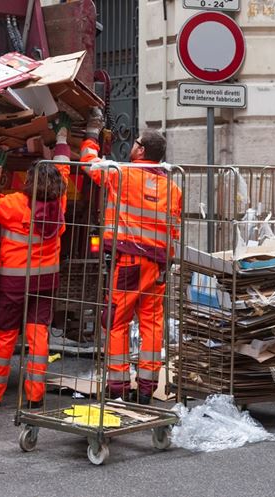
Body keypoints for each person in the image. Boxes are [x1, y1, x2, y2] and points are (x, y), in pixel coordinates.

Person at [80, 109, 182, 404]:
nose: (133, 145)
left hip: (129, 262)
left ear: (141, 150)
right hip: (159, 265)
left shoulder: (123, 175)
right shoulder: (172, 188)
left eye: (136, 142)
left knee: (116, 320)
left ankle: (117, 385)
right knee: (151, 322)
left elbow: (89, 164)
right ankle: (148, 387)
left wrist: (90, 135)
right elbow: (173, 230)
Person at [0, 115, 71, 409]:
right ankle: (35, 396)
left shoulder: (14, 204)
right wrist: (62, 139)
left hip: (15, 281)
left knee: (5, 335)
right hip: (46, 279)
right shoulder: (60, 202)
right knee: (38, 334)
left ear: (30, 182)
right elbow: (64, 169)